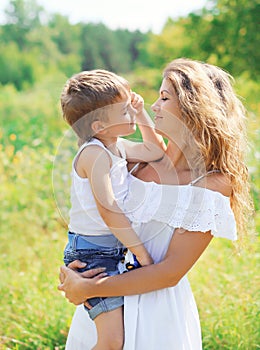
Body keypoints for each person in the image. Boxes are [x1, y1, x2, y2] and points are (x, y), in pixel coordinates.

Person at [58, 58, 252, 350]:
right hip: (104, 303)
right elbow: (95, 214)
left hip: (155, 315)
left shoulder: (212, 184)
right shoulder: (131, 160)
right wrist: (75, 270)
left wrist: (88, 287)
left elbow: (170, 272)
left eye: (164, 98)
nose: (153, 106)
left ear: (193, 107)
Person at [60, 69, 166, 350]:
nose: (130, 112)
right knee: (111, 342)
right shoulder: (94, 154)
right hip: (94, 254)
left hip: (111, 248)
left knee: (119, 336)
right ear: (98, 126)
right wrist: (142, 253)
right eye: (124, 111)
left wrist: (142, 114)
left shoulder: (116, 146)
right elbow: (109, 209)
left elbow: (156, 152)